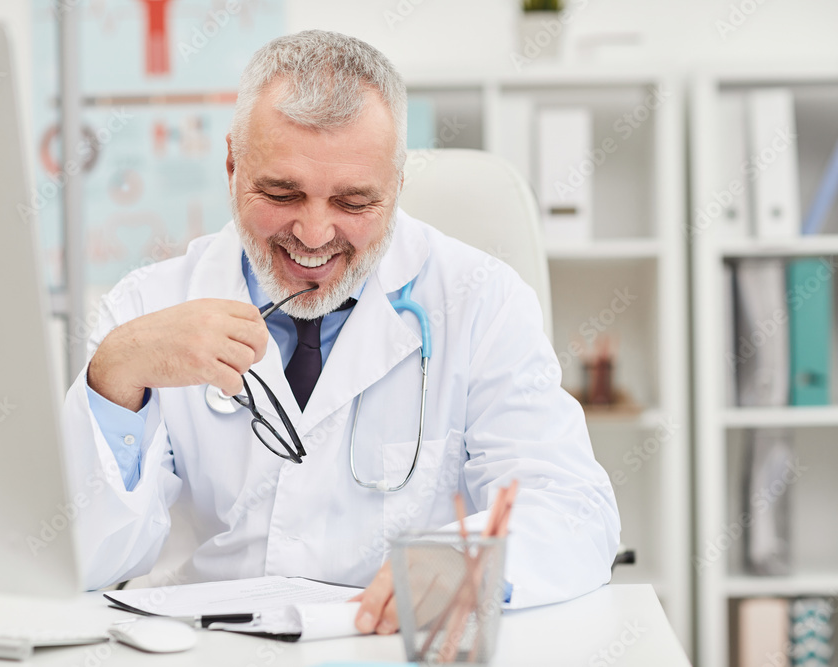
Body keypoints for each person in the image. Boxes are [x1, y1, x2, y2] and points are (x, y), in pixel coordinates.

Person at [62, 29, 620, 635]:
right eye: (282, 193)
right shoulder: (146, 308)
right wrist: (115, 374)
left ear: (397, 185)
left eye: (353, 203)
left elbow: (572, 509)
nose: (313, 233)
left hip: (388, 645)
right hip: (204, 646)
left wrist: (471, 559)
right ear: (231, 164)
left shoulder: (482, 302)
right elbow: (86, 560)